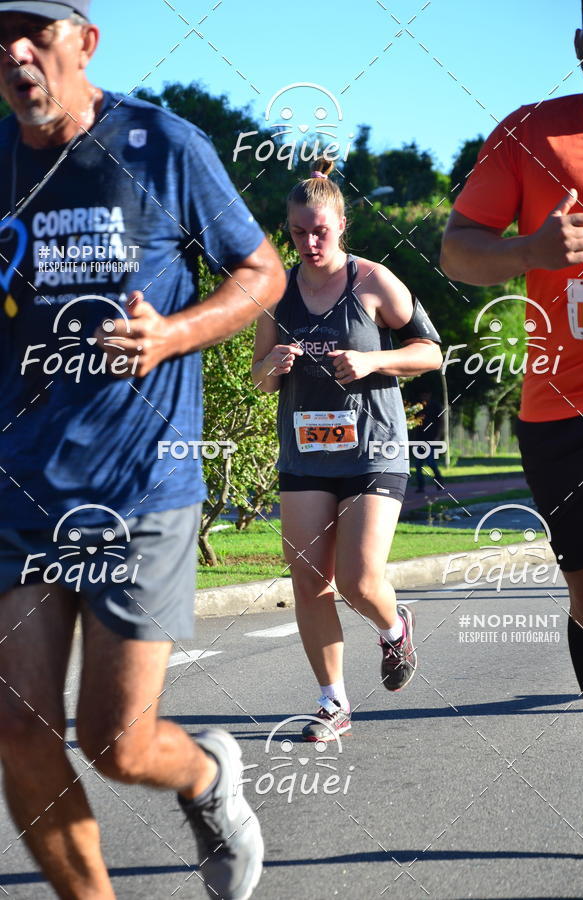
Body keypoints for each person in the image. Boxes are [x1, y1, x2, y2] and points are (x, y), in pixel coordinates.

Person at [0, 2, 285, 898]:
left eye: (33, 31)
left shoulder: (163, 145)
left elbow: (261, 272)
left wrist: (174, 335)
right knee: (18, 732)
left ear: (84, 42)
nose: (13, 51)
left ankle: (205, 778)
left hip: (143, 484)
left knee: (117, 743)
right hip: (19, 492)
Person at [440, 0, 583, 852]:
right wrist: (531, 254)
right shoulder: (532, 135)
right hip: (566, 411)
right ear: (582, 40)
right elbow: (457, 249)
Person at [252, 158, 442, 741]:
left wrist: (374, 360)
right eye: (299, 231)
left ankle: (393, 629)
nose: (310, 242)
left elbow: (430, 352)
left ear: (341, 225)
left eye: (321, 230)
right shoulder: (277, 291)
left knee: (359, 580)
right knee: (309, 580)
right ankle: (332, 702)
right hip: (306, 454)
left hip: (374, 450)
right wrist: (273, 367)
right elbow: (260, 375)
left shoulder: (372, 281)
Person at [410, 390, 445, 492]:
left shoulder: (435, 406)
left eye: (426, 393)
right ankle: (421, 486)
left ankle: (439, 481)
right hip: (419, 439)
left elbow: (441, 421)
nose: (424, 395)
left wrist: (439, 436)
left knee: (430, 462)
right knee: (418, 464)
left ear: (429, 394)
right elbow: (413, 422)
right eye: (422, 394)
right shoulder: (417, 407)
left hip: (431, 439)